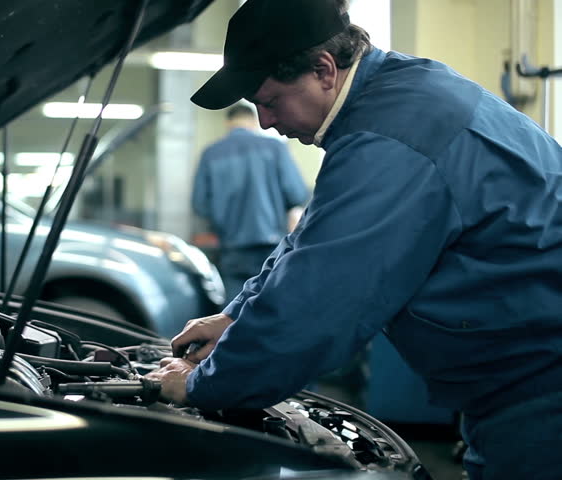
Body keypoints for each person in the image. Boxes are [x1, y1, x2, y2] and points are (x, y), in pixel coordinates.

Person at [145, 0, 562, 478]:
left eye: (271, 101)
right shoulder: (391, 99)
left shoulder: (393, 137)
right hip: (520, 382)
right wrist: (234, 317)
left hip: (542, 387)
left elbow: (318, 303)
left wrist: (201, 385)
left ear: (324, 70)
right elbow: (313, 238)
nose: (264, 122)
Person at [191, 103, 309, 303]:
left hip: (232, 247)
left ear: (228, 123)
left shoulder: (211, 153)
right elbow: (297, 194)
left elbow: (200, 204)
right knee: (272, 304)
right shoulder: (275, 148)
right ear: (254, 121)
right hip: (272, 246)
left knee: (234, 308)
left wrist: (222, 221)